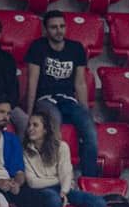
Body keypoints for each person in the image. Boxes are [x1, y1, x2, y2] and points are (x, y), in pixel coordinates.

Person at [22, 11, 98, 180]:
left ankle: (90, 179)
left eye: (62, 26)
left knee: (90, 129)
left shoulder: (76, 48)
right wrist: (29, 112)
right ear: (45, 30)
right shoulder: (38, 47)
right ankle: (54, 174)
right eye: (54, 27)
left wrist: (85, 111)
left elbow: (80, 83)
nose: (59, 31)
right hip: (45, 99)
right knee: (54, 124)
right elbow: (32, 80)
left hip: (68, 100)